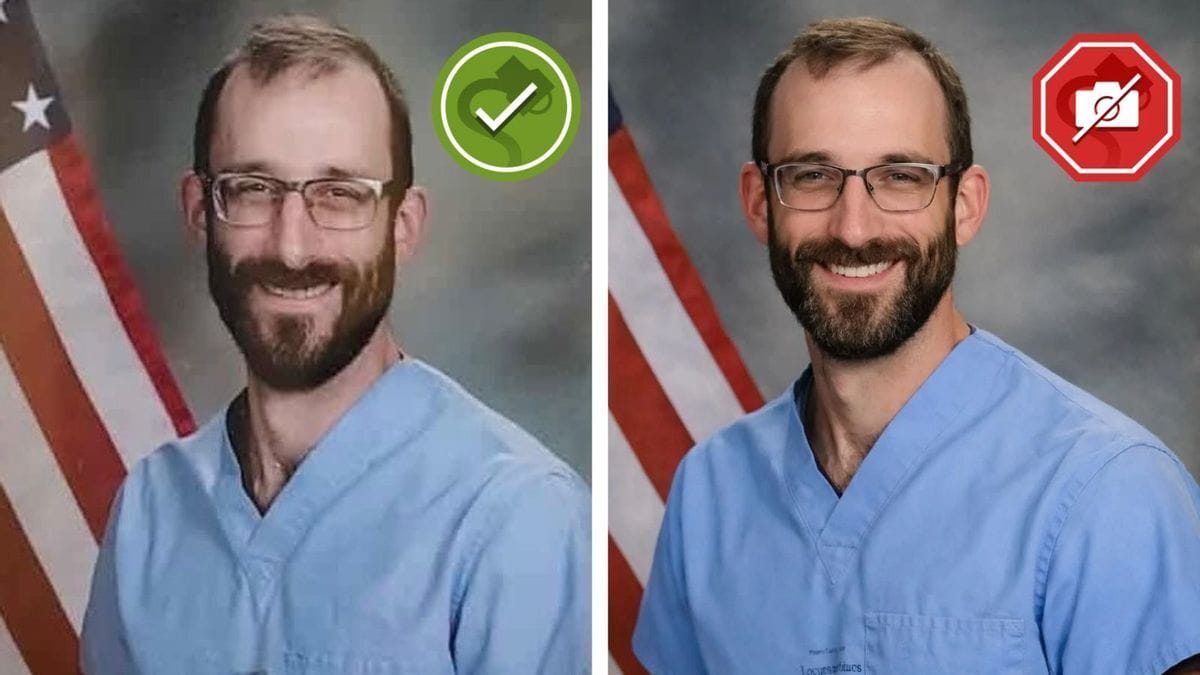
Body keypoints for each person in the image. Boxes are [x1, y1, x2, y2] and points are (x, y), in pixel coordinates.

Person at [632, 16, 1200, 675]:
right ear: (761, 202)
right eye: (813, 175)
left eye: (901, 176)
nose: (854, 226)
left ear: (965, 205)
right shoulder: (710, 492)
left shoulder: (1111, 491)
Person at [81, 16, 589, 674]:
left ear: (402, 227)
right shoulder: (149, 511)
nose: (292, 246)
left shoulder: (516, 517)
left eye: (341, 194)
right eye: (253, 190)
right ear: (200, 212)